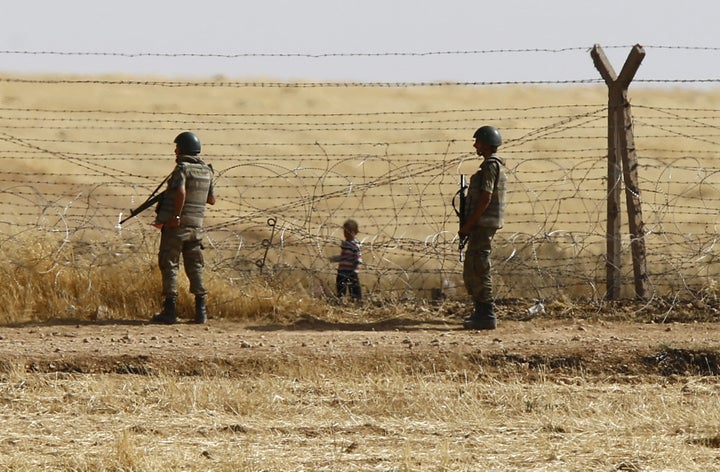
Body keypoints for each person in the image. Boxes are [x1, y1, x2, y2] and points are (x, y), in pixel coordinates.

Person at [151, 131, 216, 324]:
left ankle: (169, 311)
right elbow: (211, 200)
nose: (175, 151)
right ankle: (200, 311)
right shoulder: (207, 171)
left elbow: (180, 192)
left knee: (169, 263)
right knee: (195, 266)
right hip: (196, 227)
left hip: (177, 227)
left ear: (184, 149)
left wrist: (176, 216)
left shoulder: (182, 169)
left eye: (177, 147)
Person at [458, 125, 507, 330]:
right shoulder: (490, 165)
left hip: (482, 224)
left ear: (486, 144)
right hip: (482, 224)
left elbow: (486, 197)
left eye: (477, 141)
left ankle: (487, 314)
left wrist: (468, 225)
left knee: (479, 266)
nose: (475, 145)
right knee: (472, 266)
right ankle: (481, 311)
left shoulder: (490, 166)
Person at [329, 219, 363, 302]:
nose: (346, 233)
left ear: (355, 232)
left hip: (351, 271)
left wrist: (356, 271)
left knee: (354, 288)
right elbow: (344, 257)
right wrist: (334, 259)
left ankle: (357, 301)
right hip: (342, 270)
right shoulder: (345, 243)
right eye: (345, 231)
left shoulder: (355, 244)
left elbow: (358, 258)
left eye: (349, 231)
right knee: (340, 287)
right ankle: (341, 300)